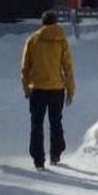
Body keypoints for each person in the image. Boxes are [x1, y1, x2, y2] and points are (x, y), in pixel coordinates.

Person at [19, 9, 75, 169]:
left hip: (37, 88)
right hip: (57, 88)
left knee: (36, 124)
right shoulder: (62, 40)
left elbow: (25, 67)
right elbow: (68, 67)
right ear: (56, 23)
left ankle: (38, 159)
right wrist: (70, 89)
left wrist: (26, 87)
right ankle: (55, 154)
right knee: (55, 122)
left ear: (42, 23)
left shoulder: (33, 40)